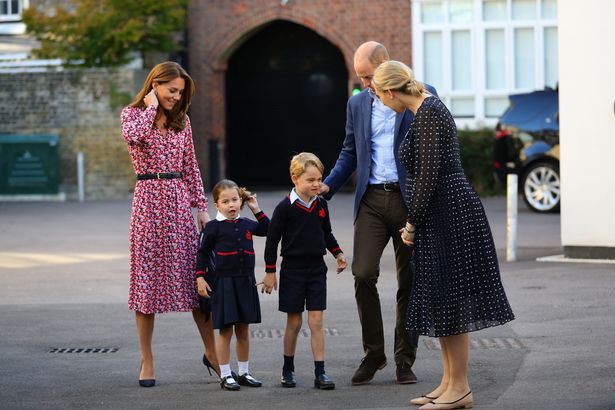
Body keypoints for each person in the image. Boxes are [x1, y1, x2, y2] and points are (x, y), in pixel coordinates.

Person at [372, 60, 515, 409]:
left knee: (452, 299)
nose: (380, 102)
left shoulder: (431, 111)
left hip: (451, 212)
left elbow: (429, 176)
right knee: (444, 299)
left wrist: (411, 223)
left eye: (378, 95)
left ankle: (461, 388)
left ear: (391, 91)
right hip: (442, 213)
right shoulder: (425, 110)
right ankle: (450, 383)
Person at [319, 41, 437, 385]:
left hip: (408, 200)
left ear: (385, 65)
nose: (365, 83)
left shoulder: (422, 95)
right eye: (359, 77)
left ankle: (405, 359)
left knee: (410, 280)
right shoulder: (357, 102)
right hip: (370, 199)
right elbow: (349, 151)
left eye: (368, 76)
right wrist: (328, 185)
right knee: (363, 273)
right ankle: (374, 354)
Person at [120, 61, 218, 387]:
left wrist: (201, 208)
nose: (176, 97)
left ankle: (212, 353)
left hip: (177, 203)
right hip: (147, 201)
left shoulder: (183, 123)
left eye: (180, 92)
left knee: (196, 281)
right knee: (145, 287)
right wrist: (149, 109)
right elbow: (132, 138)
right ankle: (147, 361)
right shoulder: (133, 115)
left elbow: (190, 167)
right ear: (155, 86)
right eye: (171, 90)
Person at [261, 152, 347, 390]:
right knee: (295, 322)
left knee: (317, 321)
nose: (317, 184)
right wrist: (270, 272)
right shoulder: (284, 208)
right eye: (311, 180)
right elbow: (272, 240)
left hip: (316, 270)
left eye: (319, 179)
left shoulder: (321, 205)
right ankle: (288, 369)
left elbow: (326, 232)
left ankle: (321, 372)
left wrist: (338, 253)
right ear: (295, 179)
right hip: (292, 270)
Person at [195, 180, 269, 391]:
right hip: (223, 284)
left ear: (241, 201)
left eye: (235, 200)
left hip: (246, 282)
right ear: (216, 205)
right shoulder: (213, 228)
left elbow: (268, 229)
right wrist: (200, 278)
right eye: (225, 201)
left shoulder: (247, 223)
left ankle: (244, 372)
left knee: (243, 330)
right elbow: (202, 254)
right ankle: (226, 374)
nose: (231, 205)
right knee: (226, 331)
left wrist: (256, 208)